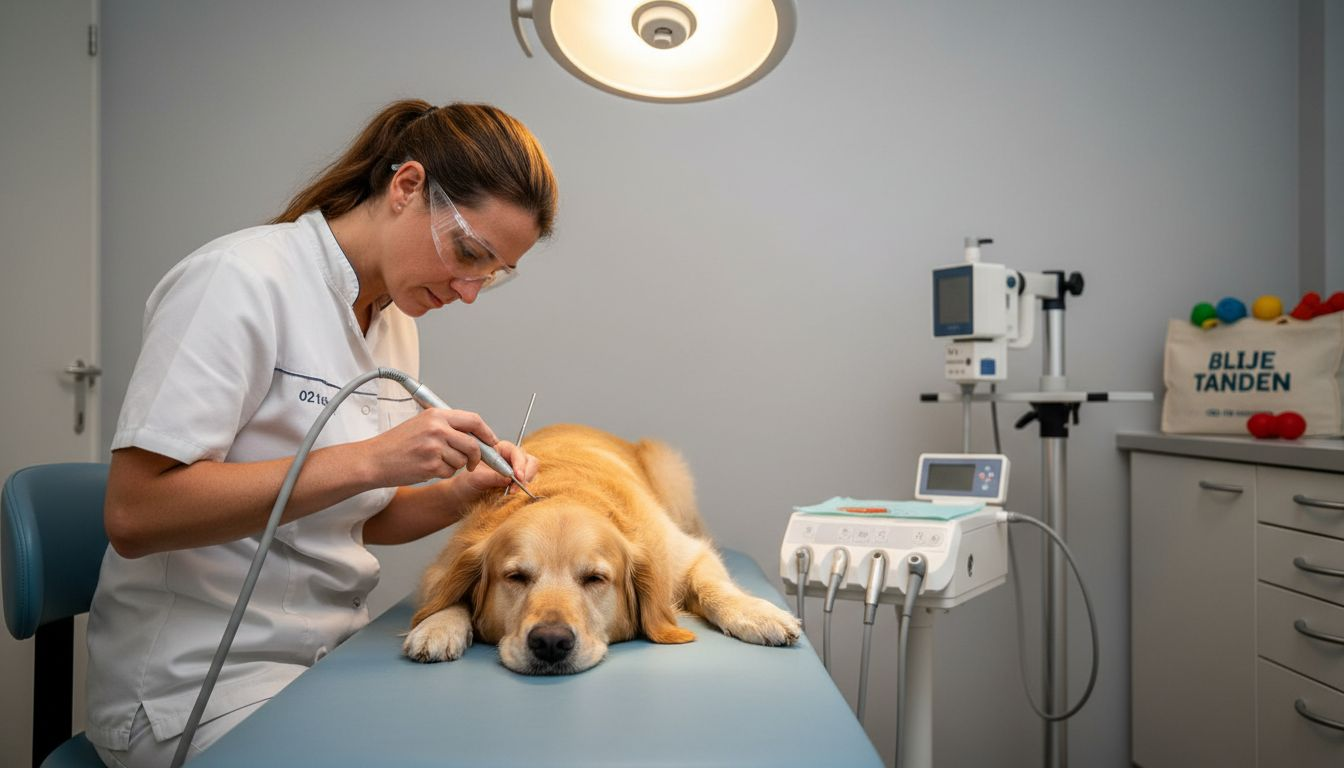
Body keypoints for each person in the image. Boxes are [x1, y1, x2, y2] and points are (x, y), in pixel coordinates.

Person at [86, 99, 558, 768]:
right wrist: (369, 459)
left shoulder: (394, 323)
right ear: (407, 186)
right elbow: (134, 514)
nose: (469, 291)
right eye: (466, 253)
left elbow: (352, 522)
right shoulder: (241, 281)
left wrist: (462, 494)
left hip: (328, 658)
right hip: (198, 684)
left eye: (489, 274)